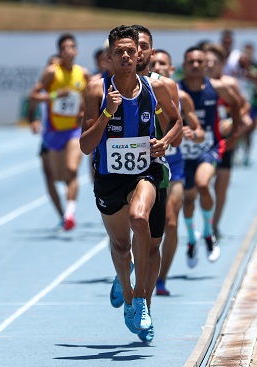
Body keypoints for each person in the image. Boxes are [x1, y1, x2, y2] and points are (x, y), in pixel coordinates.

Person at [80, 25, 181, 341]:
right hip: (109, 179)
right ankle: (127, 295)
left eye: (131, 51)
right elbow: (85, 145)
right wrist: (107, 113)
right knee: (121, 248)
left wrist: (164, 142)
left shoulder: (156, 89)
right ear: (108, 57)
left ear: (140, 54)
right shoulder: (96, 91)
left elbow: (178, 122)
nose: (126, 56)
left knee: (140, 217)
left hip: (145, 172)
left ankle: (140, 299)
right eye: (118, 52)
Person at [178, 46, 241, 268]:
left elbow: (237, 105)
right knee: (188, 198)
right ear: (184, 66)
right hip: (183, 152)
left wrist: (233, 128)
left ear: (206, 65)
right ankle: (192, 238)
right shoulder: (174, 90)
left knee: (203, 184)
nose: (195, 66)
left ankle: (207, 232)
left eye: (199, 62)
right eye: (190, 62)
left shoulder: (217, 88)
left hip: (209, 147)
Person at [149, 48, 203, 296]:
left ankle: (161, 278)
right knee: (139, 224)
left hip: (175, 164)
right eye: (154, 62)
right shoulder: (137, 92)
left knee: (171, 223)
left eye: (163, 63)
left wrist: (195, 133)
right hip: (145, 165)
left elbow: (196, 128)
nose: (158, 66)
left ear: (171, 70)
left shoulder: (182, 96)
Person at [29, 33, 92, 231]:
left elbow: (93, 96)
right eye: (64, 47)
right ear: (59, 51)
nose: (68, 50)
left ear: (76, 50)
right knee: (57, 177)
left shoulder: (83, 73)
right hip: (53, 131)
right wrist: (56, 95)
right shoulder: (52, 72)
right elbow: (33, 95)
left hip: (74, 129)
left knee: (72, 170)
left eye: (71, 47)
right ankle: (62, 213)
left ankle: (70, 214)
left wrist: (85, 109)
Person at [202, 43, 252, 239]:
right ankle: (205, 220)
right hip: (204, 142)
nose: (208, 66)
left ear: (222, 64)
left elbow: (243, 106)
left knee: (220, 187)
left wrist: (232, 122)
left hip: (225, 142)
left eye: (213, 63)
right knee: (201, 184)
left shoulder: (229, 84)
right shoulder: (196, 83)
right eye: (206, 62)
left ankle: (215, 225)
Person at [27, 54, 65, 229]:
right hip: (47, 138)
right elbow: (31, 106)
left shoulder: (67, 89)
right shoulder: (41, 92)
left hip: (65, 136)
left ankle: (71, 206)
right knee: (49, 177)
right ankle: (63, 215)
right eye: (51, 65)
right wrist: (32, 121)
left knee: (65, 175)